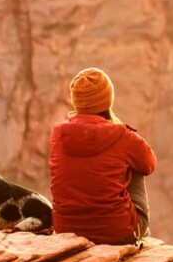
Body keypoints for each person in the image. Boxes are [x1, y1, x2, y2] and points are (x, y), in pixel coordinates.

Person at [49, 67, 156, 245]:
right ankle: (136, 232)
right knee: (137, 165)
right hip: (117, 233)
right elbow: (149, 164)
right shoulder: (122, 136)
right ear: (108, 100)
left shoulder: (58, 135)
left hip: (66, 230)